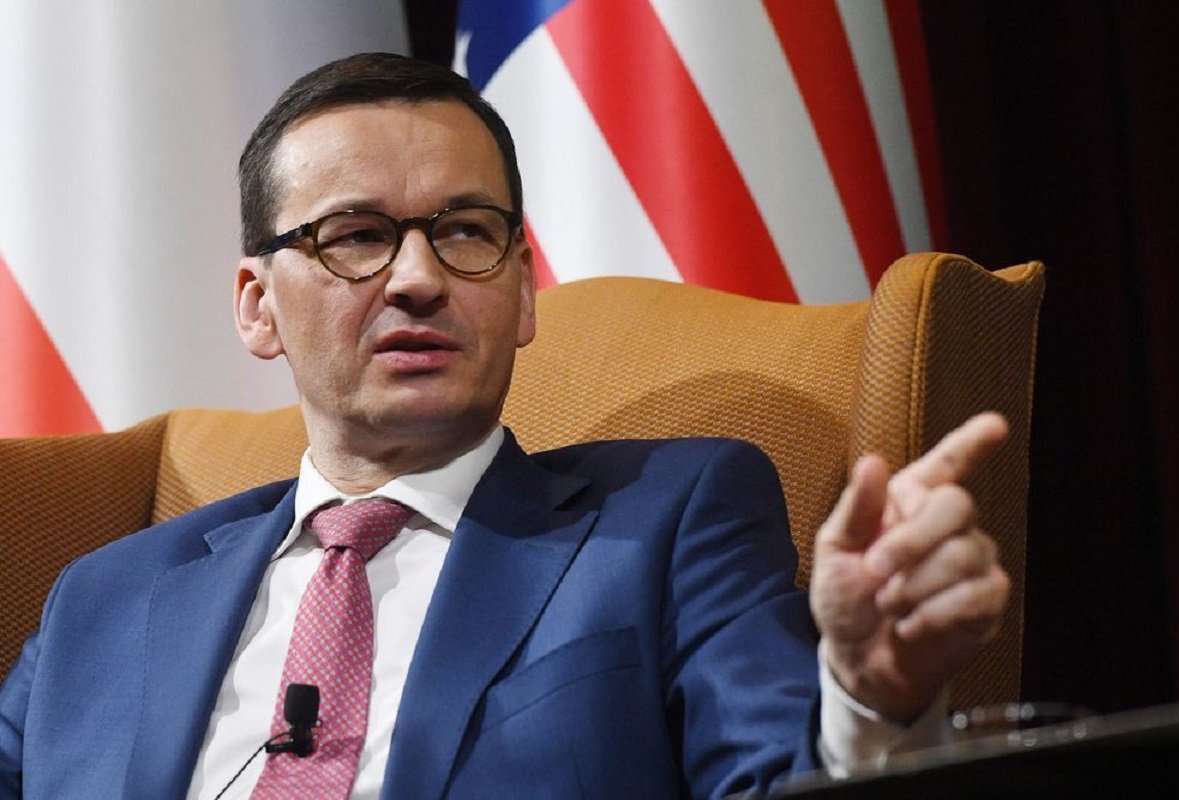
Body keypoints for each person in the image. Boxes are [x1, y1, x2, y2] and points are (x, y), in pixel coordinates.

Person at [0, 53, 1009, 799]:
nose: (419, 278)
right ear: (258, 305)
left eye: (465, 232)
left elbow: (775, 776)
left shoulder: (672, 521)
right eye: (357, 235)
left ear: (523, 292)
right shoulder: (103, 599)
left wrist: (870, 701)